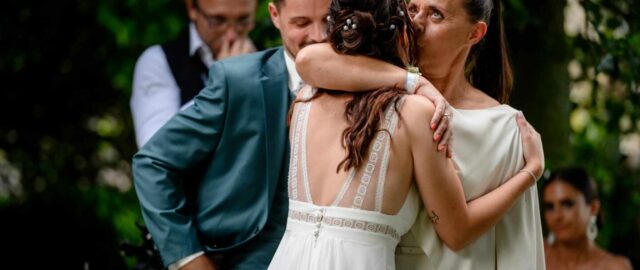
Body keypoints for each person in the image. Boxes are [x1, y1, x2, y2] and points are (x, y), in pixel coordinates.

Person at [267, 0, 544, 269]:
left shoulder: (306, 99)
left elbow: (512, 242)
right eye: (411, 9)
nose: (416, 23)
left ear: (475, 33)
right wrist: (416, 82)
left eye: (436, 14)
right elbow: (307, 60)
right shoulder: (405, 105)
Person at [131, 0, 329, 268]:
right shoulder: (240, 78)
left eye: (243, 21)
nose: (318, 36)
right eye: (301, 23)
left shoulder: (370, 81)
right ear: (275, 16)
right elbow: (154, 157)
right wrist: (189, 259)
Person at [130, 0, 258, 148]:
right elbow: (156, 148)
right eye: (217, 20)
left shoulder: (269, 60)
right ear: (192, 8)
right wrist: (222, 85)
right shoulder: (158, 61)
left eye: (243, 20)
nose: (231, 35)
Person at [543, 167, 632, 270]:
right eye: (550, 207)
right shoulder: (535, 254)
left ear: (593, 208)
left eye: (567, 204)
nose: (557, 216)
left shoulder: (615, 267)